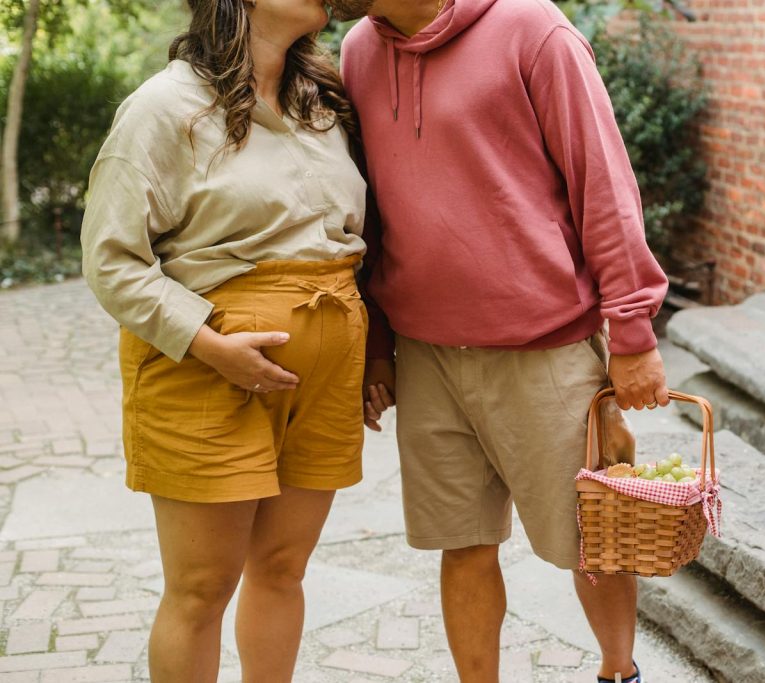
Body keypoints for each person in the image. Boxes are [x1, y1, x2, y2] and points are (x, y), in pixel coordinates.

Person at [337, 0, 670, 681]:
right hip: (425, 353)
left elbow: (602, 183)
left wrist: (632, 332)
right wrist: (376, 344)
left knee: (594, 540)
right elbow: (369, 209)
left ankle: (620, 672)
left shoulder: (532, 29)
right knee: (461, 544)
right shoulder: (358, 53)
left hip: (543, 347)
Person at [80, 0, 391, 679]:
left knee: (282, 568)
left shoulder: (325, 101)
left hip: (323, 379)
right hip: (205, 371)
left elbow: (355, 244)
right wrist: (206, 341)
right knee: (200, 590)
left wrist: (375, 349)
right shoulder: (164, 109)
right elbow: (110, 259)